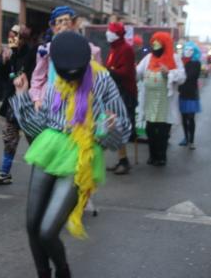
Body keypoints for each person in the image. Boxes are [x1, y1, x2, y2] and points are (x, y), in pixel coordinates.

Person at [10, 31, 131, 278]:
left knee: (47, 230)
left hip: (81, 155)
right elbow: (37, 126)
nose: (68, 78)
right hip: (50, 147)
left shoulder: (102, 80)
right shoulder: (58, 77)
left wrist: (106, 129)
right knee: (32, 224)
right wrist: (23, 95)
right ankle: (43, 273)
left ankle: (63, 272)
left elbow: (123, 129)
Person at [0, 25, 36, 185]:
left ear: (22, 38)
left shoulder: (32, 53)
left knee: (35, 141)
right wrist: (3, 60)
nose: (11, 39)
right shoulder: (10, 53)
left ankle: (44, 174)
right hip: (12, 104)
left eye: (14, 36)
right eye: (9, 36)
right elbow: (0, 76)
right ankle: (4, 172)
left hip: (28, 104)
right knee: (9, 137)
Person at [30, 6, 102, 110]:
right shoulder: (46, 50)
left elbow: (97, 75)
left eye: (66, 21)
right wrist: (37, 99)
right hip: (51, 99)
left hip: (77, 99)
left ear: (73, 24)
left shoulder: (85, 47)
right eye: (59, 21)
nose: (64, 24)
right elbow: (38, 77)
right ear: (53, 27)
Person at [136, 32, 186, 166]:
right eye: (153, 44)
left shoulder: (174, 58)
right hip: (150, 100)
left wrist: (169, 72)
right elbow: (138, 71)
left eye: (158, 44)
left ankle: (161, 156)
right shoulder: (148, 58)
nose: (155, 47)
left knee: (163, 131)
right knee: (150, 129)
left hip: (165, 101)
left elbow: (182, 76)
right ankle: (152, 155)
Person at [104, 22, 136, 174]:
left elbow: (125, 73)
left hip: (125, 93)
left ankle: (124, 161)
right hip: (115, 91)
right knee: (115, 125)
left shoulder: (126, 49)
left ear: (117, 34)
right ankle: (121, 159)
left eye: (110, 31)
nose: (107, 34)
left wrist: (109, 71)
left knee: (121, 125)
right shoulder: (114, 49)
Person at [178, 41, 201, 149]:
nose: (188, 52)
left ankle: (191, 140)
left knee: (190, 117)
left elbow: (190, 76)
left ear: (194, 52)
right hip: (182, 92)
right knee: (183, 117)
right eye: (186, 49)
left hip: (191, 94)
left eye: (190, 50)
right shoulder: (181, 62)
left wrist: (179, 75)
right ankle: (186, 138)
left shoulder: (196, 63)